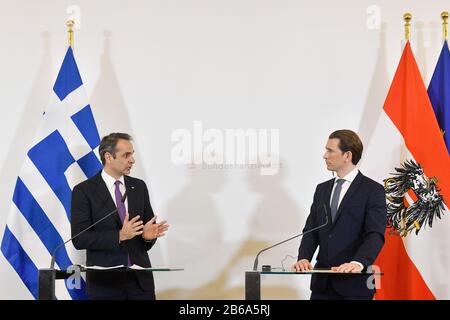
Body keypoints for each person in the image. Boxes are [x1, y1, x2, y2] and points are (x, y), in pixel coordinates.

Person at [71, 132, 169, 300]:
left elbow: (145, 234)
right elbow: (79, 239)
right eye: (126, 155)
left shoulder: (138, 187)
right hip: (106, 287)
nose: (132, 160)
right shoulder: (84, 191)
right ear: (108, 157)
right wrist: (119, 235)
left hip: (140, 285)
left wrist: (147, 237)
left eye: (132, 154)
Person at [292, 129, 386, 300]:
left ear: (347, 155)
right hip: (322, 286)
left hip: (354, 285)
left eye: (330, 150)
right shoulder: (322, 189)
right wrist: (304, 258)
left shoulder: (373, 190)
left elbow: (375, 234)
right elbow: (312, 230)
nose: (324, 155)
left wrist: (357, 263)